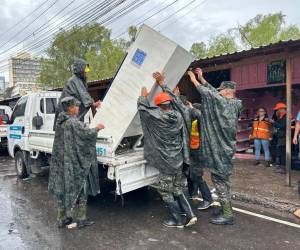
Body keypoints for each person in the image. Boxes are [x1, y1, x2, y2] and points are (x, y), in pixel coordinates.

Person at [137, 73, 197, 229]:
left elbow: (143, 111)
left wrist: (143, 97)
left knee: (165, 191)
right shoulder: (178, 116)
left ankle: (176, 219)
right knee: (177, 187)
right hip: (177, 159)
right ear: (171, 104)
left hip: (165, 161)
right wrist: (164, 86)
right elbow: (179, 106)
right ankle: (191, 215)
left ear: (158, 106)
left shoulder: (157, 118)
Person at [187, 68, 242, 225]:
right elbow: (213, 93)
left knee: (220, 181)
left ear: (226, 91)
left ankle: (228, 215)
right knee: (223, 181)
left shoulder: (222, 103)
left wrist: (194, 80)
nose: (219, 93)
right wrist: (202, 78)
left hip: (220, 152)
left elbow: (209, 94)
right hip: (226, 150)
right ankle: (226, 209)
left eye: (221, 91)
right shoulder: (234, 104)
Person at [48, 96, 105, 229]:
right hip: (74, 164)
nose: (78, 108)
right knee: (81, 189)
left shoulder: (61, 121)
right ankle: (81, 219)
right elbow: (86, 135)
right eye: (77, 106)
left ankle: (62, 219)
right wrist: (97, 128)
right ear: (72, 108)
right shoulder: (73, 123)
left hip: (62, 163)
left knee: (63, 190)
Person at [54, 58, 101, 128]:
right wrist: (93, 103)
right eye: (85, 70)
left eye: (87, 70)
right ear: (80, 70)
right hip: (65, 112)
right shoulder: (74, 80)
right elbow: (83, 94)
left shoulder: (79, 80)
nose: (87, 72)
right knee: (66, 130)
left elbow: (83, 96)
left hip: (69, 113)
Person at [273, 102, 287, 174]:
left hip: (284, 137)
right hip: (281, 137)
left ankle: (283, 168)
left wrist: (273, 122)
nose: (277, 111)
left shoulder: (286, 116)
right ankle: (281, 167)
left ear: (282, 109)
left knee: (282, 152)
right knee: (281, 152)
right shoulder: (282, 117)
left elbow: (282, 126)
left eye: (277, 109)